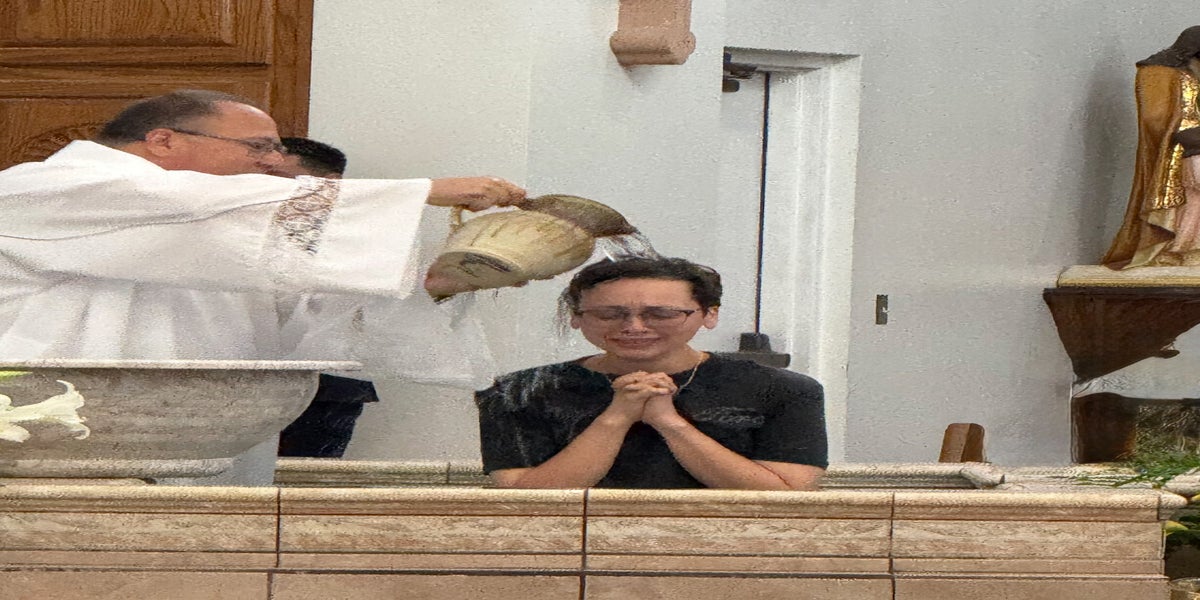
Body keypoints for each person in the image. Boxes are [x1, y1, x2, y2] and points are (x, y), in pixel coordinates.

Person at [0, 89, 525, 372]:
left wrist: (434, 284)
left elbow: (303, 321)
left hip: (217, 421)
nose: (274, 163)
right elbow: (181, 206)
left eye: (275, 148)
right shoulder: (43, 188)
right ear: (163, 140)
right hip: (61, 410)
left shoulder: (231, 224)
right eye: (258, 147)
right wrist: (425, 189)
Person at [475, 257, 827, 490]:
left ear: (709, 314)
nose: (634, 327)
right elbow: (523, 497)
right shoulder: (516, 391)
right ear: (576, 317)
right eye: (609, 314)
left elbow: (787, 495)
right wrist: (616, 417)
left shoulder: (784, 390)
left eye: (661, 314)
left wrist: (669, 422)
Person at [267, 136, 377, 458]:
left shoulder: (364, 232)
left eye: (280, 180)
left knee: (302, 475)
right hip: (242, 368)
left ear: (331, 183)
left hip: (326, 376)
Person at [1103, 26, 1200, 268]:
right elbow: (1156, 118)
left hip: (1194, 143)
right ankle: (1182, 249)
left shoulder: (1193, 74)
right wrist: (1186, 132)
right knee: (1193, 199)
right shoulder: (1161, 73)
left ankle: (1187, 248)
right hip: (1186, 148)